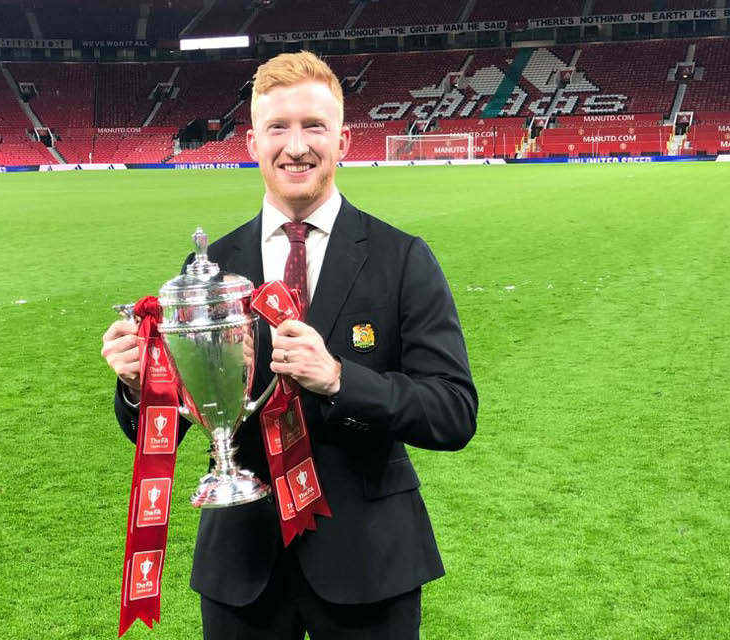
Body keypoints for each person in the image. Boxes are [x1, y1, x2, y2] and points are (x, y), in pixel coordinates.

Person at [101, 51, 478, 640]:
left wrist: (338, 379)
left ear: (344, 141)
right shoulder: (212, 266)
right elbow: (175, 422)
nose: (295, 146)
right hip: (242, 568)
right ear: (251, 141)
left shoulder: (402, 258)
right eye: (278, 127)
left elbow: (454, 412)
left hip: (369, 563)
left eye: (314, 127)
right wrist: (137, 385)